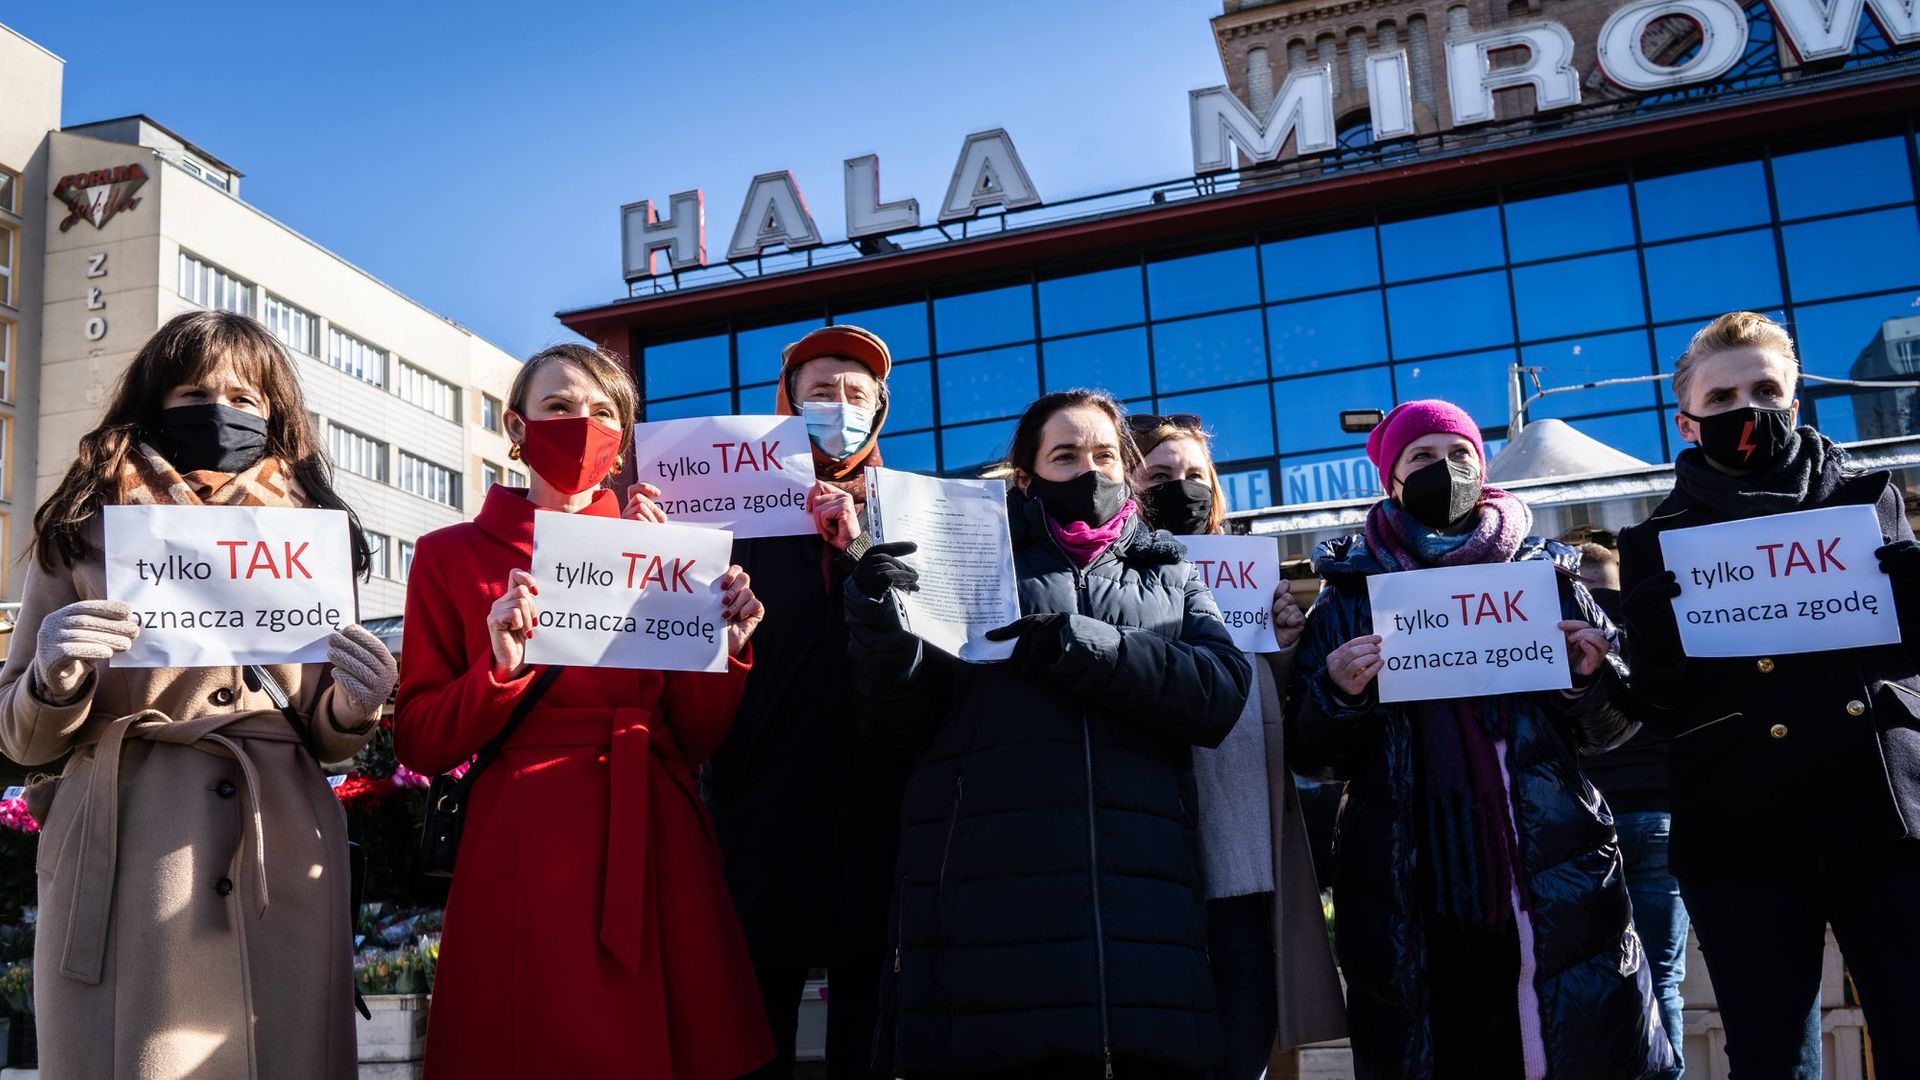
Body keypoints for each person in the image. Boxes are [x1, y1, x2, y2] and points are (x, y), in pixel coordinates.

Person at [0, 310, 398, 1078]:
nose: (223, 411)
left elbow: (325, 729)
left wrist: (357, 705)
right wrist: (54, 674)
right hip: (128, 842)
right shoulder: (82, 526)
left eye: (247, 399)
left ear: (278, 416)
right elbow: (21, 739)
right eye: (195, 392)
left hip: (275, 845)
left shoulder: (317, 533)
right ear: (153, 402)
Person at [846, 388, 1252, 1079]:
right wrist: (877, 619)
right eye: (1065, 455)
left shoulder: (1168, 571)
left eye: (1103, 454)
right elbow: (897, 721)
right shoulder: (971, 560)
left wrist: (1080, 643)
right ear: (1027, 476)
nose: (1088, 470)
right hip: (993, 904)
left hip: (1142, 914)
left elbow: (1219, 692)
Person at [394, 343, 773, 1079]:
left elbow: (694, 738)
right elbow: (419, 740)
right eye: (559, 407)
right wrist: (498, 668)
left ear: (624, 440)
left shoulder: (665, 551)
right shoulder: (447, 555)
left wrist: (723, 647)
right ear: (515, 425)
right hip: (523, 844)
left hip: (657, 835)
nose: (582, 424)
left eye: (604, 412)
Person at [1287, 399, 1672, 1080]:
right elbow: (1313, 757)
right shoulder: (1347, 592)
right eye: (1423, 458)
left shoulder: (1545, 575)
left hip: (1549, 870)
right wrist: (1337, 694)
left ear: (1483, 464)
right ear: (1391, 480)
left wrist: (1590, 679)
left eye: (1460, 453)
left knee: (1564, 1047)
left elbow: (1610, 732)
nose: (1447, 469)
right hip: (1410, 883)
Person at [1617, 311, 1920, 1079]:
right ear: (1686, 421)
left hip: (1888, 815)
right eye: (1721, 399)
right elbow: (1651, 712)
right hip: (1743, 828)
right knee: (1771, 1059)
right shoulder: (1653, 541)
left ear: (1794, 401)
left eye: (1764, 389)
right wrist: (1648, 647)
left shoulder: (1870, 503)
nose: (1743, 411)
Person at [705, 325, 912, 1080]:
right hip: (762, 807)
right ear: (787, 405)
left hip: (879, 807)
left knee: (872, 1022)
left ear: (881, 411)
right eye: (821, 392)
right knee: (757, 1021)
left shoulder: (906, 517)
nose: (839, 406)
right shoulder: (730, 519)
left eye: (857, 395)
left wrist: (858, 548)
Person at [1129, 413, 1346, 1077]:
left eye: (1196, 474)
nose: (1182, 487)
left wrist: (1285, 651)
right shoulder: (1106, 574)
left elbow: (1270, 705)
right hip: (1153, 861)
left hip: (1247, 857)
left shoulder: (1248, 574)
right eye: (1161, 475)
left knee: (1244, 1047)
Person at [1564, 536, 1687, 1080]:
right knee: (1661, 974)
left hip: (1584, 825)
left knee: (1587, 974)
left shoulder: (1557, 639)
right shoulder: (1654, 630)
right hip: (1662, 817)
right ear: (1616, 578)